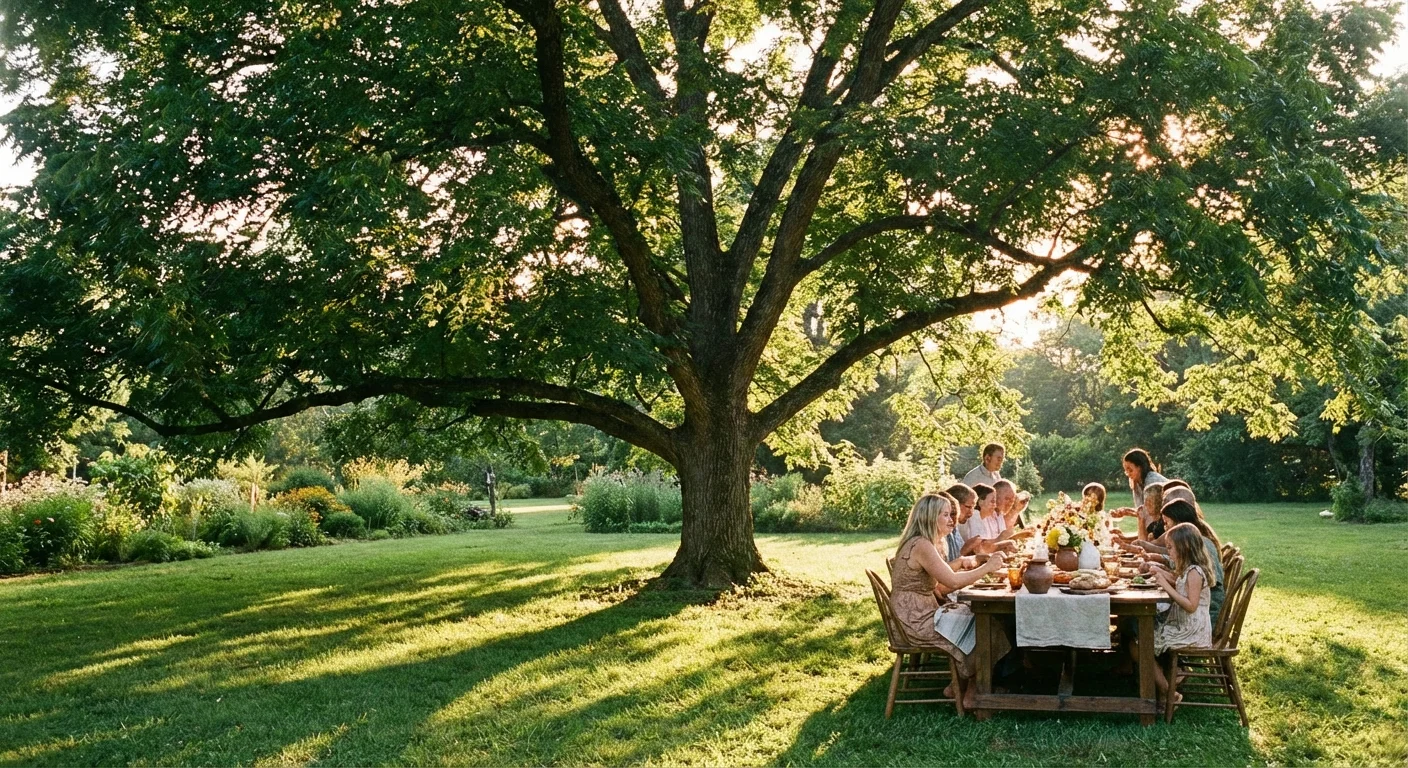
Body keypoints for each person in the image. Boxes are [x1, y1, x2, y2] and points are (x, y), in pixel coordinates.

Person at [889, 492, 1012, 709]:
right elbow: (952, 583)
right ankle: (973, 692)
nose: (951, 520)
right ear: (929, 517)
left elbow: (938, 582)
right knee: (983, 625)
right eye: (945, 515)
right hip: (916, 621)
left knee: (973, 614)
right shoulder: (921, 546)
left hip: (918, 612)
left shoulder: (921, 543)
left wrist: (963, 562)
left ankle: (959, 686)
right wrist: (987, 567)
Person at [1141, 523, 1214, 705]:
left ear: (1185, 547)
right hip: (1183, 624)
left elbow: (1190, 605)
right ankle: (1167, 688)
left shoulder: (1195, 572)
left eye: (1171, 548)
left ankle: (1168, 691)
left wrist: (1165, 586)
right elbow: (1179, 582)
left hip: (1192, 630)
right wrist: (1162, 573)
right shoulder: (1188, 570)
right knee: (1140, 643)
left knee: (1142, 646)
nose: (1169, 552)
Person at [1135, 499, 1225, 627]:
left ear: (1179, 523)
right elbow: (1183, 578)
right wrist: (1160, 569)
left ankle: (1140, 644)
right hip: (1197, 612)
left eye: (1166, 523)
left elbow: (1193, 589)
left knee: (1137, 621)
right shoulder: (1193, 542)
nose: (1165, 528)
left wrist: (1164, 580)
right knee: (1137, 620)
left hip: (1208, 615)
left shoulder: (1200, 546)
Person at [959, 483, 1018, 556]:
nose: (995, 505)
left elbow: (986, 544)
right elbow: (980, 549)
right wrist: (1002, 538)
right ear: (981, 502)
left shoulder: (981, 517)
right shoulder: (975, 515)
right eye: (992, 501)